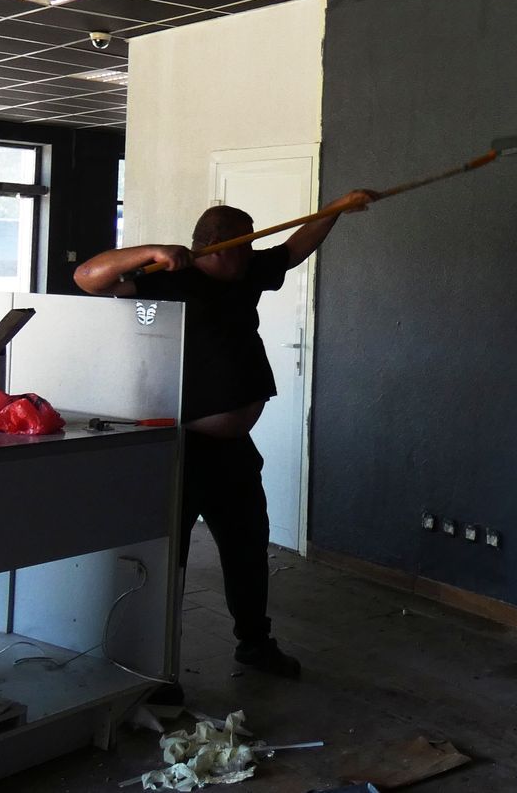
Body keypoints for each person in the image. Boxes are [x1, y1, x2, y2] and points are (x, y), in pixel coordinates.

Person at [75, 189, 375, 677]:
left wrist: (337, 209)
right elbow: (88, 277)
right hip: (181, 450)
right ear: (216, 244)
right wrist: (152, 251)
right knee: (170, 558)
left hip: (233, 451)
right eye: (243, 243)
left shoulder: (247, 272)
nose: (252, 252)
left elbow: (294, 249)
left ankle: (254, 644)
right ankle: (156, 668)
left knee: (247, 548)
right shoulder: (168, 281)